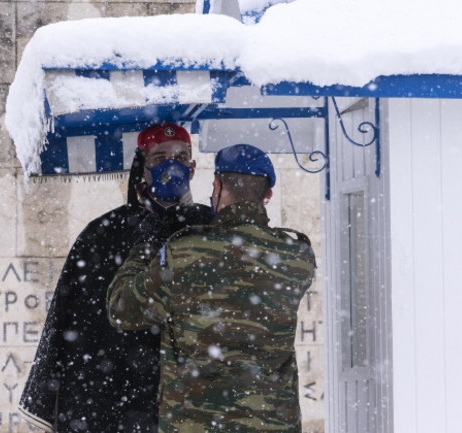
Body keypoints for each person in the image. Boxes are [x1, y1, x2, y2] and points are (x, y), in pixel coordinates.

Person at [107, 144, 316, 432]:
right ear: (267, 196)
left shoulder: (184, 252)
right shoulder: (298, 257)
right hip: (272, 423)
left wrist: (144, 249)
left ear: (217, 185)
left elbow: (122, 311)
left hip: (196, 422)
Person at [19, 123, 212, 433]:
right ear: (142, 166)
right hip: (118, 396)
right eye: (159, 157)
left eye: (180, 156)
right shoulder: (107, 231)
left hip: (192, 401)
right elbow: (74, 321)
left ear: (193, 166)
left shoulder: (210, 227)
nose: (171, 165)